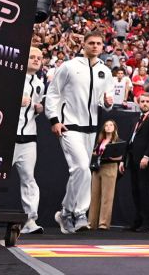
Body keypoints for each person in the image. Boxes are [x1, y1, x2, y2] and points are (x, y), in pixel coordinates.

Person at [45, 31, 114, 235]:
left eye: (99, 43)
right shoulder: (69, 66)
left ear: (103, 47)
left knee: (80, 171)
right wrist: (54, 119)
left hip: (91, 129)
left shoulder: (105, 71)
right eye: (91, 42)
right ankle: (79, 212)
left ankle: (66, 212)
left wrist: (107, 103)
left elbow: (105, 99)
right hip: (69, 126)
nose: (95, 46)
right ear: (83, 44)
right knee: (82, 168)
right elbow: (54, 93)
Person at [15, 47, 48, 235]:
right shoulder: (13, 77)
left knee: (29, 178)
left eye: (39, 58)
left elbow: (32, 110)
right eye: (32, 57)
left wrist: (37, 109)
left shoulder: (39, 83)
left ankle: (30, 220)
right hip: (8, 136)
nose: (36, 60)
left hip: (29, 137)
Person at [124, 91, 149, 232]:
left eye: (147, 101)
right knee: (135, 191)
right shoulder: (135, 119)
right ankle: (138, 221)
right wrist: (123, 160)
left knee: (144, 191)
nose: (145, 104)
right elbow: (130, 140)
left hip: (146, 160)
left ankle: (148, 223)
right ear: (138, 103)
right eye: (142, 101)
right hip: (133, 159)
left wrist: (146, 156)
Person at [87, 118, 124, 231]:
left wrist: (115, 158)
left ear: (114, 128)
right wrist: (94, 154)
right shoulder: (99, 141)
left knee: (107, 197)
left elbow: (122, 156)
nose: (108, 127)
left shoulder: (118, 141)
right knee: (94, 196)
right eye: (106, 125)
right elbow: (94, 153)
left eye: (111, 125)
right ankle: (91, 223)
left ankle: (103, 223)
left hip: (110, 166)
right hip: (97, 167)